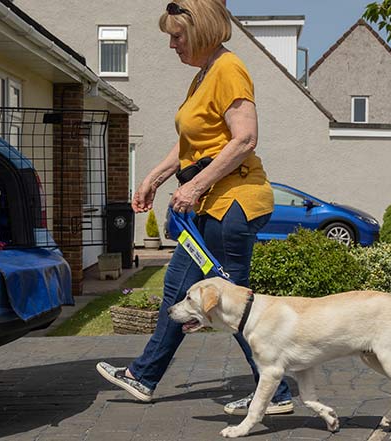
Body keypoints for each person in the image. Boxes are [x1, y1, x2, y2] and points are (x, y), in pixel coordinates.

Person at [96, 0, 293, 416]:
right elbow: (193, 143)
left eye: (177, 35)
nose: (171, 44)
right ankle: (143, 376)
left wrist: (196, 185)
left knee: (233, 305)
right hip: (209, 206)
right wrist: (155, 176)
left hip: (233, 203)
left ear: (201, 30)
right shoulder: (203, 77)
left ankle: (276, 392)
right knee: (177, 293)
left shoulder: (228, 69)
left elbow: (244, 139)